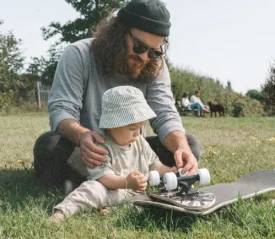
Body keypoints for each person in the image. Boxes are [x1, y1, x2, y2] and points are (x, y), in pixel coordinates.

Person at [33, 0, 200, 190]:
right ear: (118, 33)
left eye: (154, 51)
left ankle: (90, 181)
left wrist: (181, 147)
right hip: (90, 151)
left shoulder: (156, 65)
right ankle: (108, 180)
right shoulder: (79, 54)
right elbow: (62, 111)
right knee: (49, 146)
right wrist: (82, 136)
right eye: (139, 47)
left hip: (133, 152)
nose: (145, 57)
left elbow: (165, 113)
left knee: (188, 144)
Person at [50, 86, 177, 221]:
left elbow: (155, 166)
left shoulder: (140, 142)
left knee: (146, 202)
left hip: (133, 193)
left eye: (141, 128)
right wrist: (127, 182)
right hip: (107, 190)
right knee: (92, 189)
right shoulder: (101, 144)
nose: (138, 133)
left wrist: (173, 171)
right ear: (112, 124)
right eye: (132, 128)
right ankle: (62, 212)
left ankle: (110, 211)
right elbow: (103, 177)